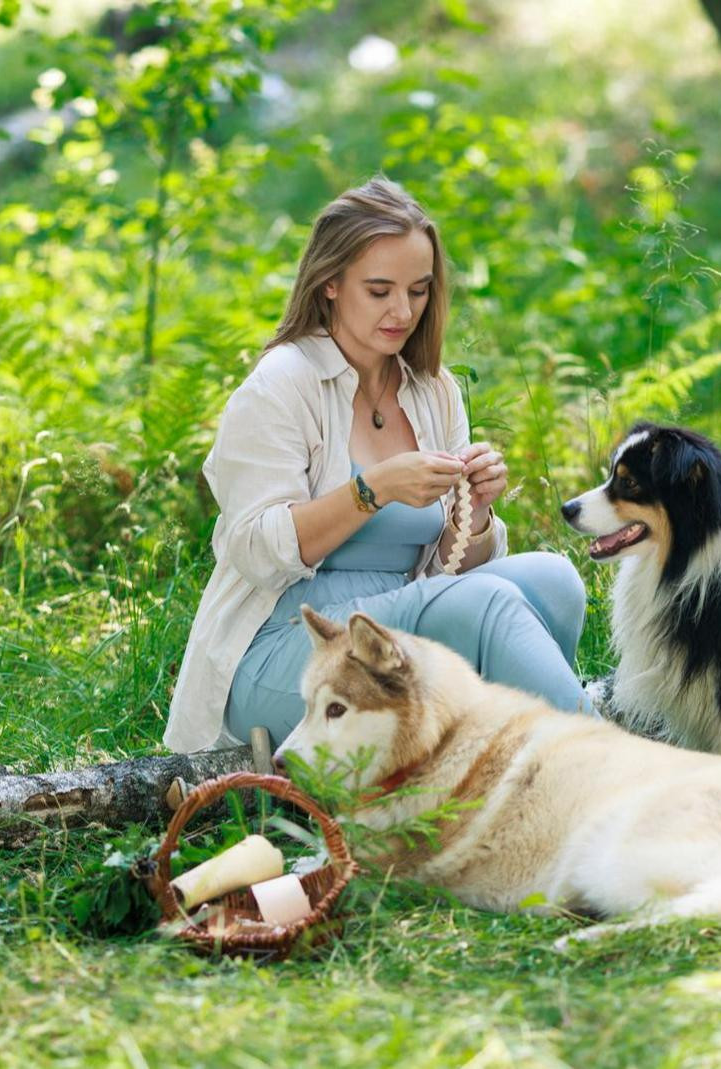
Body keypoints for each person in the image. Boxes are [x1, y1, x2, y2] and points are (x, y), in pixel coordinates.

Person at [164, 176, 590, 753]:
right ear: (331, 284)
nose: (402, 311)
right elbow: (255, 550)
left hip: (397, 635)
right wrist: (372, 490)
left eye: (418, 290)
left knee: (553, 581)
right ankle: (606, 774)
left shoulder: (432, 390)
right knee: (483, 604)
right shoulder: (281, 384)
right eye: (380, 290)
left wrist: (479, 514)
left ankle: (499, 780)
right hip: (291, 650)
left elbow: (445, 577)